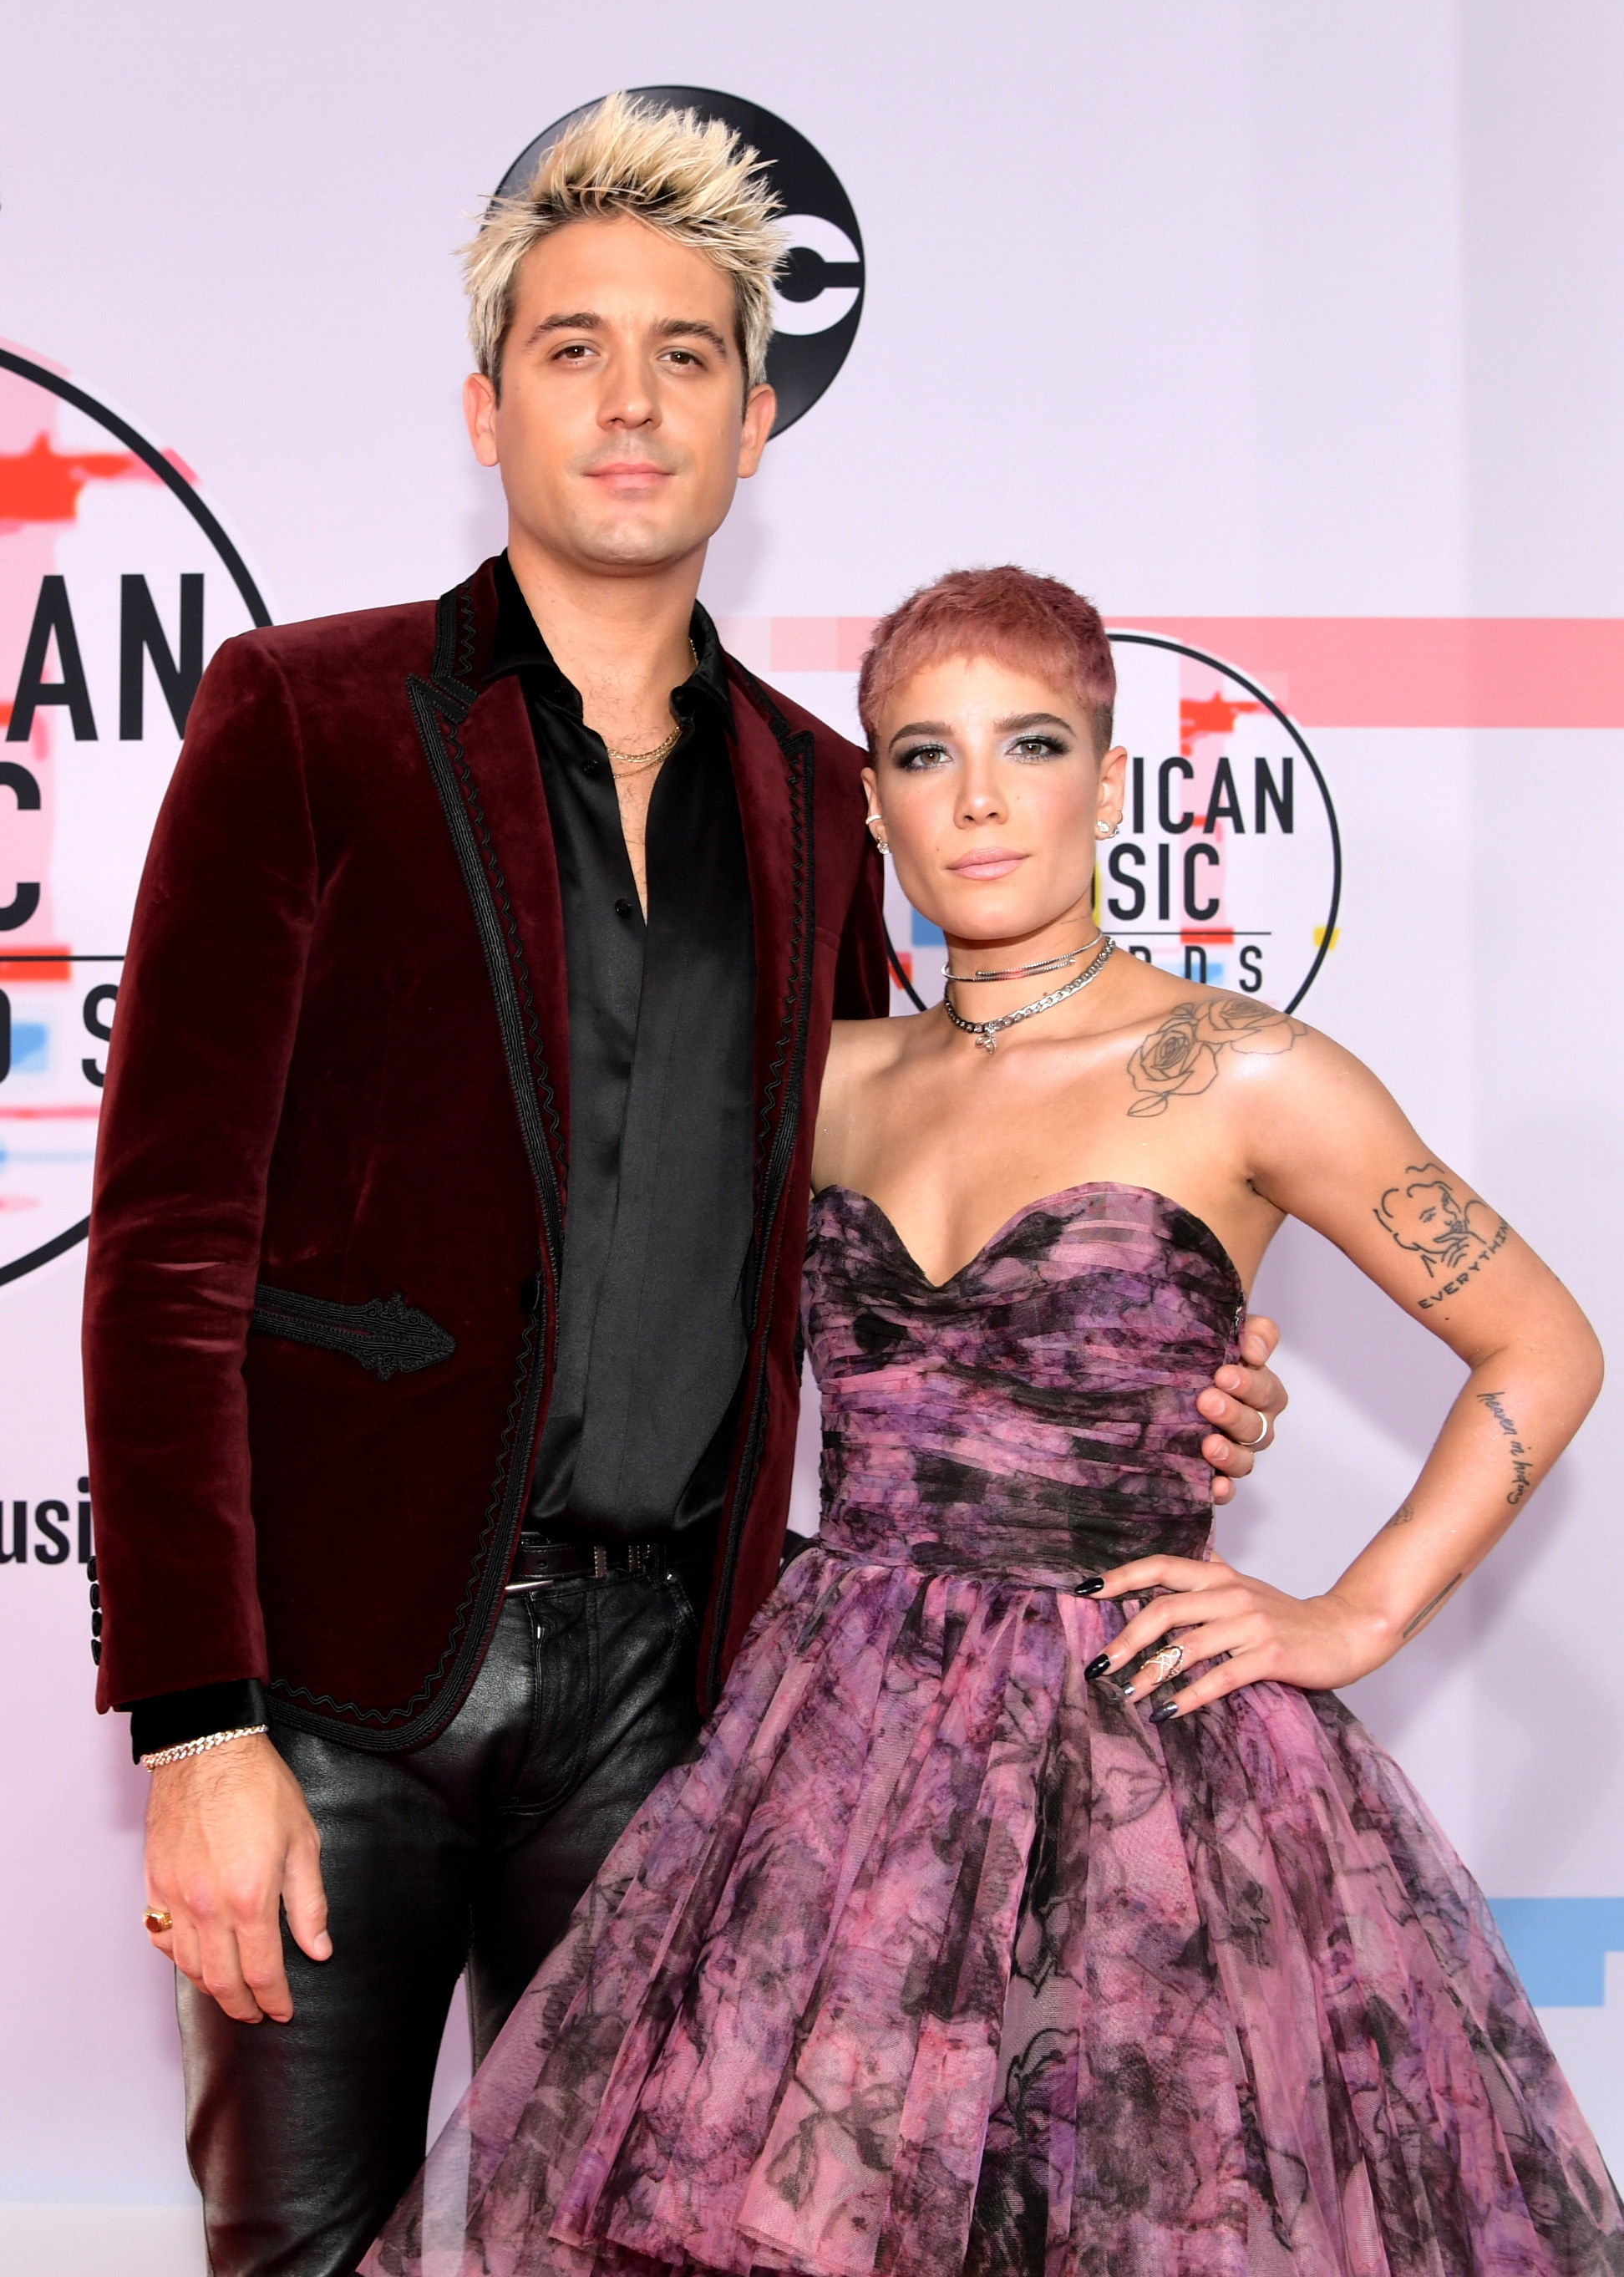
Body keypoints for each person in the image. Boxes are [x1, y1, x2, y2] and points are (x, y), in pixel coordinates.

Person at [81, 109, 1284, 2277]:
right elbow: (168, 1254)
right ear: (486, 405)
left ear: (753, 428)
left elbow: (892, 1216)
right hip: (344, 1686)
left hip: (684, 1701)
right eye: (570, 349)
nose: (628, 400)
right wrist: (195, 1727)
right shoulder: (307, 717)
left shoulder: (825, 798)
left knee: (642, 2252)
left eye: (683, 358)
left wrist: (1145, 1350)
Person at [366, 565, 1621, 2277]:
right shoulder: (828, 1081)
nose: (975, 797)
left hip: (1143, 1764)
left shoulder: (1247, 1071)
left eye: (1028, 745)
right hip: (835, 1760)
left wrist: (1355, 1610)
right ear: (871, 797)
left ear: (1108, 778)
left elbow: (1542, 1345)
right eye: (919, 753)